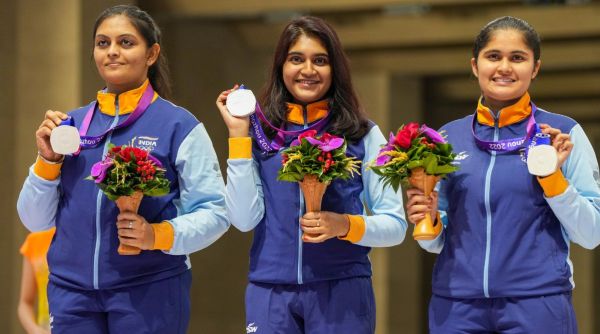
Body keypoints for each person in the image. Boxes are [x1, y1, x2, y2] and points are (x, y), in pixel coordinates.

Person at [17, 5, 228, 334]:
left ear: (152, 53)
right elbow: (34, 219)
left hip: (149, 290)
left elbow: (215, 212)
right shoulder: (69, 127)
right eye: (103, 43)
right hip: (72, 294)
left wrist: (157, 235)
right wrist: (48, 161)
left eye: (126, 42)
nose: (112, 51)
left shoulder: (178, 125)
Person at [406, 16, 600, 333]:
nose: (504, 67)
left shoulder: (563, 134)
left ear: (535, 68)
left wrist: (553, 179)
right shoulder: (446, 138)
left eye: (518, 58)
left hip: (537, 302)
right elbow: (435, 243)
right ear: (475, 65)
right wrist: (429, 219)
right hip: (456, 306)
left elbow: (592, 234)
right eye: (493, 56)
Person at [216, 16, 407, 334]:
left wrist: (344, 225)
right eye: (296, 59)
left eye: (320, 60)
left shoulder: (363, 135)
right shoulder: (260, 135)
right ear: (281, 67)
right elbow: (243, 219)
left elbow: (395, 226)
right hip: (270, 291)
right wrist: (238, 137)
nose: (308, 70)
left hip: (342, 288)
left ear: (336, 70)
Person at [18, 228, 55, 334]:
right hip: (45, 328)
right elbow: (25, 303)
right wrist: (35, 330)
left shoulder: (78, 234)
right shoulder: (35, 239)